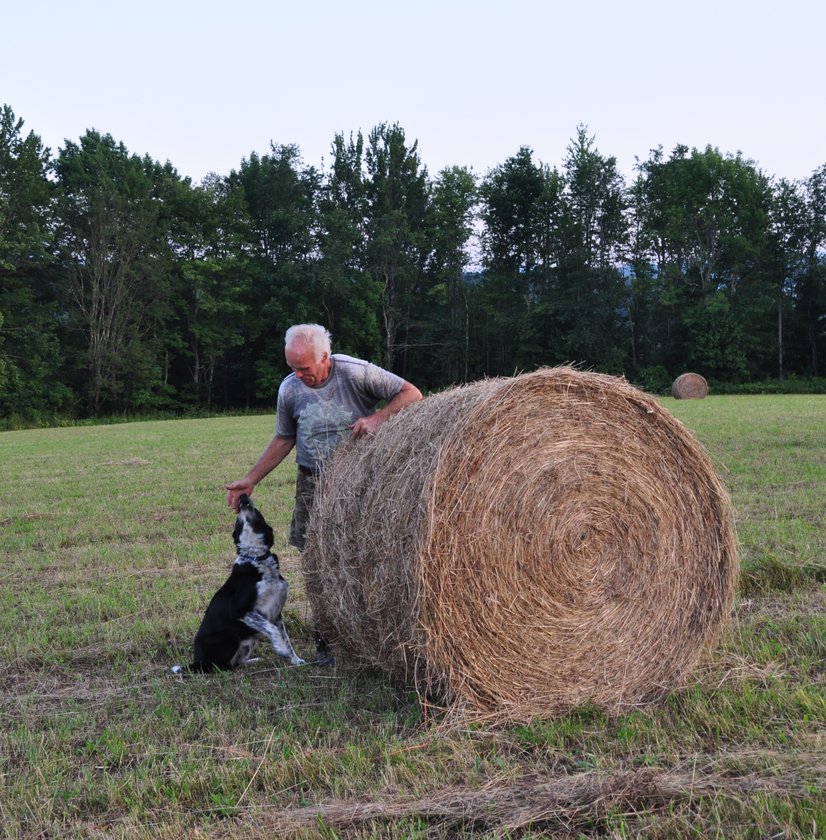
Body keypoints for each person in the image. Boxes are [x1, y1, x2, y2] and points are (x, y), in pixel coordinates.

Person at [225, 323, 423, 551]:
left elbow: (412, 394)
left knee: (363, 546)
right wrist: (250, 479)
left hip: (359, 475)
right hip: (312, 479)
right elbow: (283, 439)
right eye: (292, 367)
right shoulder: (288, 389)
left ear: (324, 357)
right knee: (312, 550)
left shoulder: (355, 372)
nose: (297, 375)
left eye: (304, 368)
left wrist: (377, 419)